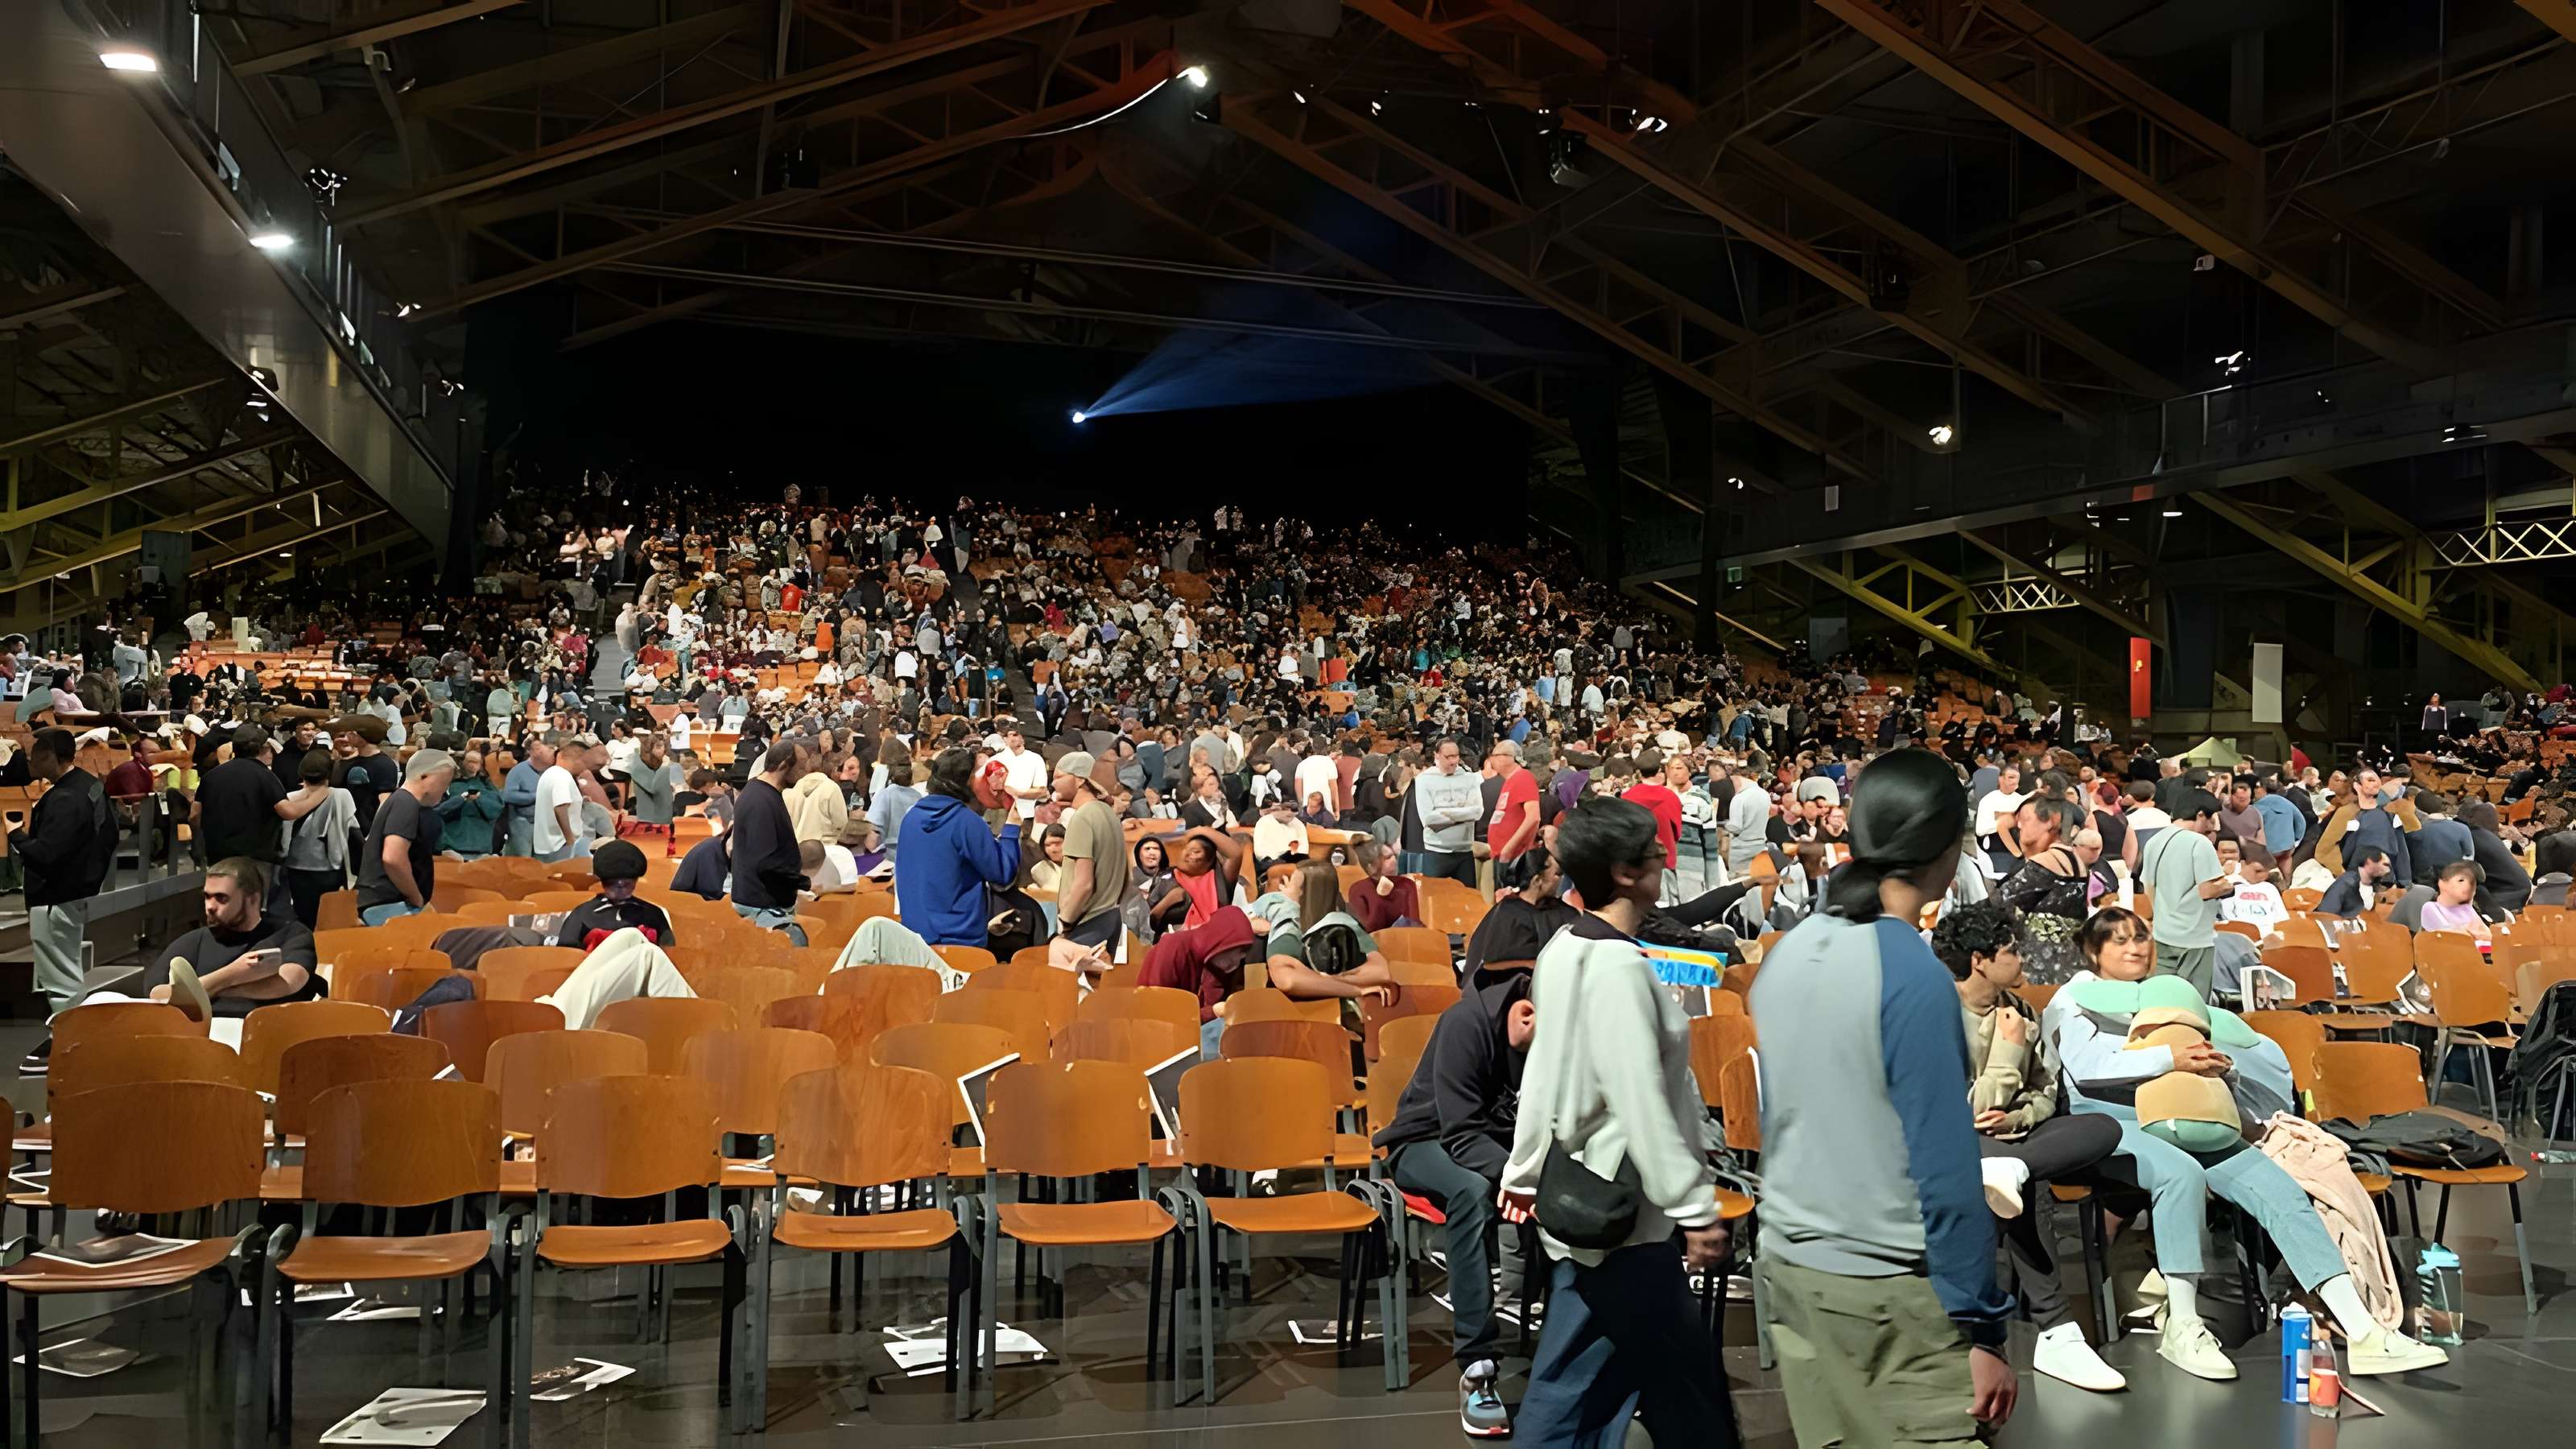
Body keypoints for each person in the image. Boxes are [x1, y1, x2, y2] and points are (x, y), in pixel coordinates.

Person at [2041, 908, 2450, 1380]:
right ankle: (2184, 1325)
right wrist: (2169, 1058)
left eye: (2140, 937)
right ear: (2094, 952)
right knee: (2182, 1175)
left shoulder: (2171, 996)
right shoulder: (2071, 999)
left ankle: (2363, 1331)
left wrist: (2219, 1067)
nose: (2135, 948)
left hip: (2190, 1113)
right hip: (2110, 1120)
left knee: (2277, 1186)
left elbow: (2224, 1051)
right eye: (2119, 941)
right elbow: (2088, 1066)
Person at [1748, 748, 2017, 1446]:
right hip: (1888, 1290)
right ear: (1946, 850)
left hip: (1793, 1267)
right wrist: (1980, 1325)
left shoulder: (1792, 951)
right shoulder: (1912, 973)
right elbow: (1943, 1164)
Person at [1497, 799, 1738, 1449]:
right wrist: (1695, 1208)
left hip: (1597, 1198)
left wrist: (1522, 1170)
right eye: (1659, 853)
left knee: (1677, 1387)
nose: (1666, 861)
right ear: (1629, 872)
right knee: (1580, 1391)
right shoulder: (1621, 969)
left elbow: (1541, 1070)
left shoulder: (1564, 946)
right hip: (1624, 1212)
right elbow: (1641, 1100)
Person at [1928, 901, 2125, 1392]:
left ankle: (2011, 1167)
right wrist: (2005, 1054)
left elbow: (2045, 1091)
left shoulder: (2018, 1009)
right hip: (1951, 1142)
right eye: (2012, 951)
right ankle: (2057, 1330)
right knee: (2026, 1179)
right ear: (1979, 960)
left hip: (2014, 1140)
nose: (2024, 960)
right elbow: (1959, 1111)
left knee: (2102, 1127)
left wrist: (2019, 1116)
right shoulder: (1936, 1013)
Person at [1375, 967, 1535, 1436]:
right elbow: (1462, 1134)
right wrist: (1525, 1181)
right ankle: (1477, 1365)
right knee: (1471, 1190)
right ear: (1525, 1015)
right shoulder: (1466, 1024)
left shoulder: (1551, 1034)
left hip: (1489, 1144)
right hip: (1423, 1143)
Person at [9, 728, 117, 1019]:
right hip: (75, 889)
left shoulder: (66, 798)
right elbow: (110, 835)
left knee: (62, 982)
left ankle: (67, 1041)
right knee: (61, 973)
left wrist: (15, 836)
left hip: (55, 895)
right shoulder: (89, 784)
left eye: (35, 755)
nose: (30, 762)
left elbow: (46, 854)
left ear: (48, 756)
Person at [130, 860, 322, 1019]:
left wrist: (199, 992)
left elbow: (288, 982)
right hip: (205, 1035)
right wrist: (233, 973)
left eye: (221, 898)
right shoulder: (196, 940)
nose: (210, 906)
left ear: (252, 899)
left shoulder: (290, 933)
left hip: (269, 1030)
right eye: (207, 897)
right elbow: (156, 994)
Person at [894, 747, 1022, 947]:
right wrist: (1012, 828)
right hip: (960, 939)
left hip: (915, 935)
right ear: (968, 781)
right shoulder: (965, 821)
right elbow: (1003, 875)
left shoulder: (912, 817)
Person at [2138, 787, 2228, 995]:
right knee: (2194, 1004)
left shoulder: (2154, 841)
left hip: (2163, 933)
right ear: (2200, 815)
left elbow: (2148, 887)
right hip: (2194, 937)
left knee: (2161, 1000)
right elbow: (2208, 889)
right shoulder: (2200, 842)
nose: (2212, 826)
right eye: (2210, 819)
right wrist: (2231, 883)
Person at [357, 748, 456, 924]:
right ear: (425, 776)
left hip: (387, 902)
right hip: (390, 903)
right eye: (444, 782)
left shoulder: (402, 801)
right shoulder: (406, 804)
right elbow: (393, 857)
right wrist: (415, 896)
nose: (445, 790)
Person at [732, 737, 812, 943]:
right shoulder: (760, 800)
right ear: (786, 764)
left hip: (765, 900)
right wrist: (803, 882)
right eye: (802, 766)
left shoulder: (761, 792)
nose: (805, 772)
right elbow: (764, 861)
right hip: (763, 904)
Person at [1052, 752, 1128, 956]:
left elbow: (1083, 884)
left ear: (1079, 780)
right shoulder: (1108, 814)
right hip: (1110, 917)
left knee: (1073, 987)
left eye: (1058, 777)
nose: (1053, 784)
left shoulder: (1082, 818)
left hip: (1087, 923)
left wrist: (1064, 923)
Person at [1463, 849, 1577, 975]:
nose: (1561, 879)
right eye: (1558, 874)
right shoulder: (1509, 916)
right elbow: (1492, 967)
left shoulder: (1553, 907)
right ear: (1537, 880)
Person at [279, 750, 358, 927]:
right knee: (328, 918)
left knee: (303, 918)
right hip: (329, 867)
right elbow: (353, 830)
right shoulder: (341, 795)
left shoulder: (290, 798)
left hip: (296, 867)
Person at [555, 840, 677, 948]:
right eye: (612, 883)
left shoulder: (653, 914)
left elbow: (669, 953)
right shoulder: (582, 914)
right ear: (601, 880)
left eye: (627, 884)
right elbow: (567, 955)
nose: (620, 888)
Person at [1413, 736, 1484, 886]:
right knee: (1434, 901)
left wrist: (1445, 813)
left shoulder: (1469, 777)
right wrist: (1463, 813)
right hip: (1436, 851)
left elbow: (1477, 812)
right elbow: (1428, 819)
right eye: (1449, 757)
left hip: (1464, 850)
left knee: (1467, 901)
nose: (1453, 761)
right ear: (1437, 756)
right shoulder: (1424, 780)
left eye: (1456, 756)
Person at [532, 736, 590, 863]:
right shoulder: (562, 776)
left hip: (547, 846)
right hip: (560, 847)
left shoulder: (549, 773)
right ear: (578, 759)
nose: (585, 769)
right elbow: (560, 807)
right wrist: (570, 841)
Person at [1345, 838, 1420, 934]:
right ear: (1371, 866)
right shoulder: (1358, 890)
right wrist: (1382, 897)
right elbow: (1369, 930)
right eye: (1387, 858)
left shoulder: (1407, 885)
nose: (1394, 861)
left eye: (1394, 856)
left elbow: (1415, 925)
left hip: (1405, 941)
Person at [440, 747, 504, 858]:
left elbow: (497, 808)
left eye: (476, 762)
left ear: (481, 765)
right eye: (470, 761)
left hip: (481, 844)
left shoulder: (486, 785)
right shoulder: (449, 783)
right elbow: (439, 810)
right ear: (463, 762)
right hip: (453, 844)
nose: (472, 765)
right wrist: (460, 800)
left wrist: (479, 799)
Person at [2417, 859, 2492, 942]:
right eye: (2460, 881)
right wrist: (2473, 935)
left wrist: (2479, 935)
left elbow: (2488, 935)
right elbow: (2450, 936)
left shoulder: (2467, 909)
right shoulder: (2431, 908)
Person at [2316, 844, 2396, 919]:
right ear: (2369, 862)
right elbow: (2325, 916)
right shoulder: (2346, 884)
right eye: (2384, 864)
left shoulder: (2371, 886)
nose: (2388, 869)